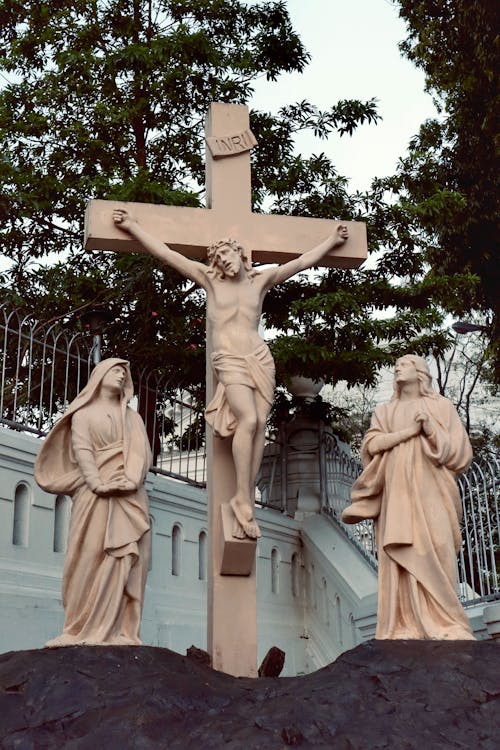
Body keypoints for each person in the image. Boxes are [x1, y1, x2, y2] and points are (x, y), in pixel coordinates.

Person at [113, 209, 348, 539]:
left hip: (259, 358)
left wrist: (332, 241)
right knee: (248, 420)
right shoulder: (209, 280)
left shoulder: (261, 281)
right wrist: (134, 225)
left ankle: (244, 498)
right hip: (229, 358)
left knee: (260, 425)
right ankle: (242, 495)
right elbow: (166, 253)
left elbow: (301, 263)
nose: (225, 261)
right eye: (219, 258)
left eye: (228, 254)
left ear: (241, 255)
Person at [342, 354, 475, 640]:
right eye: (396, 366)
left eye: (404, 364)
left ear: (420, 372)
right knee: (402, 559)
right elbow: (372, 445)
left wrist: (430, 429)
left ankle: (448, 621)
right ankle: (403, 625)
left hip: (434, 490)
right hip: (397, 495)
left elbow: (460, 453)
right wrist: (409, 432)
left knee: (438, 546)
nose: (397, 368)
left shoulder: (441, 407)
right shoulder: (385, 411)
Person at [35, 358, 152, 646]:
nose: (121, 375)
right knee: (86, 554)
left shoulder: (132, 418)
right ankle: (76, 627)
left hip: (128, 496)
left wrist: (131, 481)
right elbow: (83, 450)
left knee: (126, 558)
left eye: (124, 372)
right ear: (99, 376)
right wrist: (98, 483)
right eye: (115, 369)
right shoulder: (83, 415)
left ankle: (121, 630)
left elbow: (141, 453)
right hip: (93, 493)